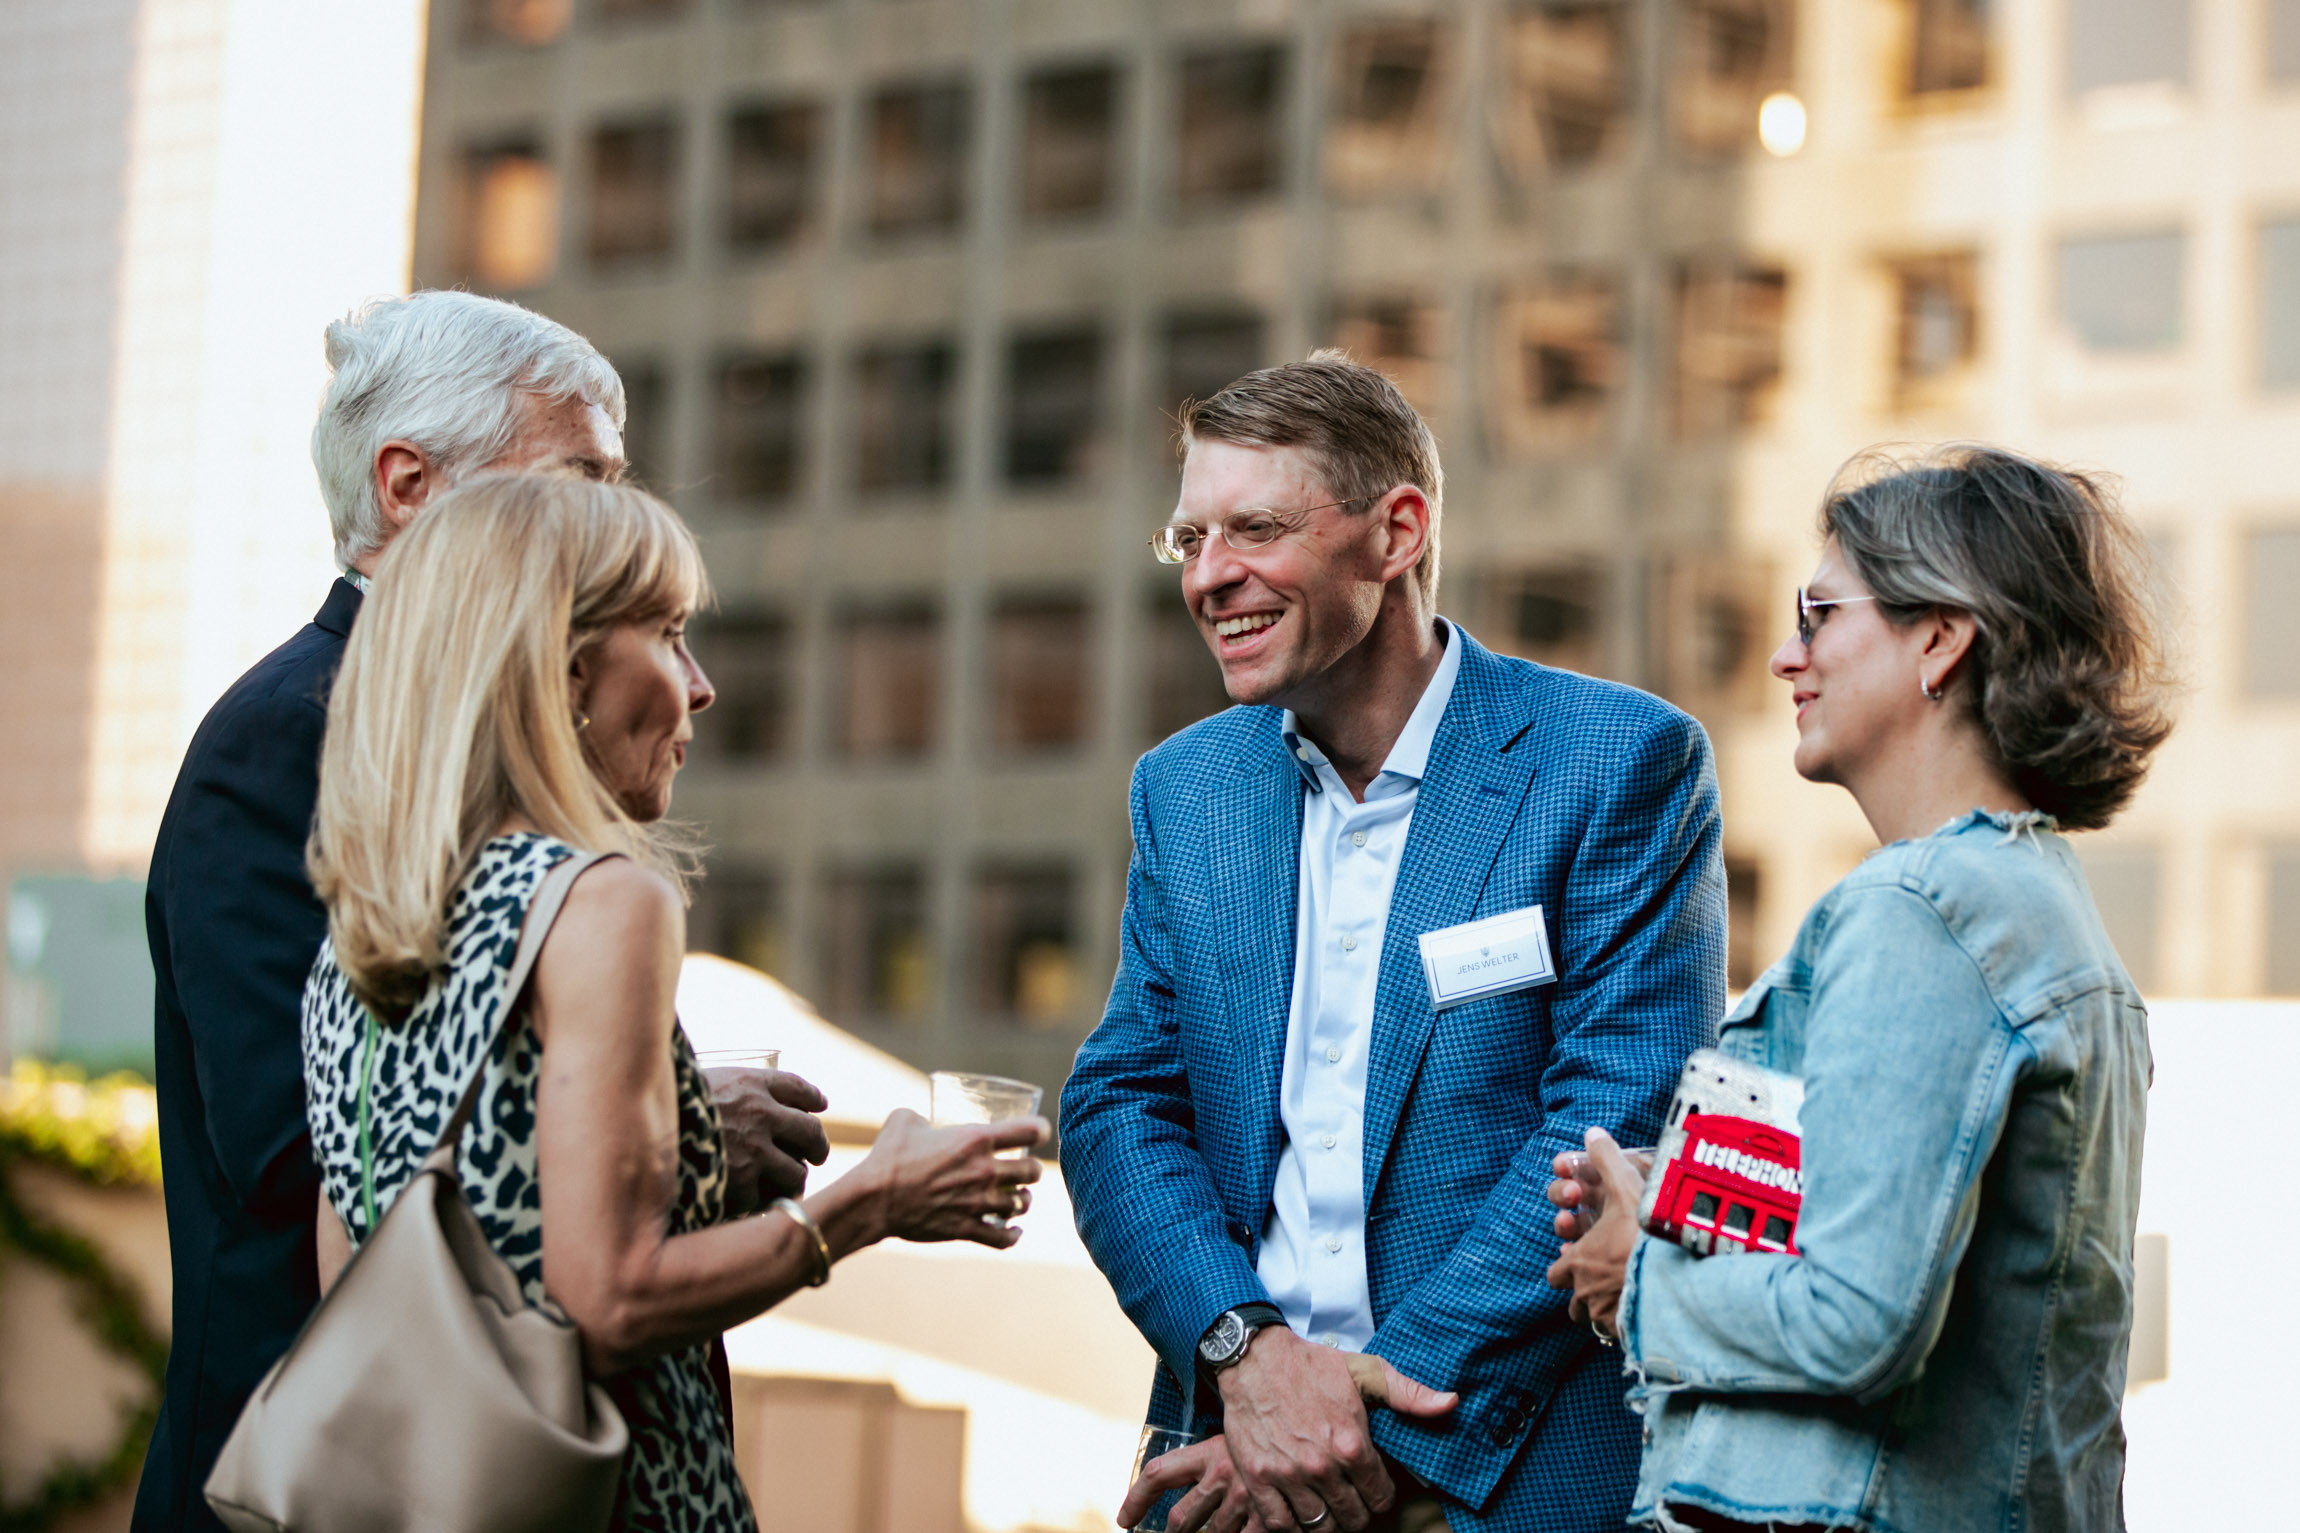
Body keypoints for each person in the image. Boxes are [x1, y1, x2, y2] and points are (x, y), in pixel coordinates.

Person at [135, 291, 827, 1531]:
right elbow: (312, 1149)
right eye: (580, 478)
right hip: (362, 1481)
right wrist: (667, 1138)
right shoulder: (291, 735)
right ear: (406, 485)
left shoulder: (469, 738)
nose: (615, 521)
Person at [299, 473, 1047, 1531]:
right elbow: (611, 1302)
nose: (699, 687)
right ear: (564, 674)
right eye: (667, 633)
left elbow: (375, 1276)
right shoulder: (601, 908)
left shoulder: (365, 929)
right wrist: (870, 1199)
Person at [1063, 353, 1729, 1533]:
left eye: (1253, 529)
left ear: (1395, 533)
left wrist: (1342, 1425)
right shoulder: (1185, 791)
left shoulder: (1616, 763)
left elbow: (1615, 1116)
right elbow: (1120, 1104)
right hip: (1226, 1466)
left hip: (1499, 1477)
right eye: (1189, 540)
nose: (1210, 577)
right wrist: (1244, 1355)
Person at [1546, 445, 2174, 1533]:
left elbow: (1853, 1320)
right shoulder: (2031, 908)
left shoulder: (1923, 913)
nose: (1788, 659)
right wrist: (1679, 1203)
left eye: (1819, 613)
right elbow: (1906, 1243)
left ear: (1938, 638)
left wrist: (1632, 1277)